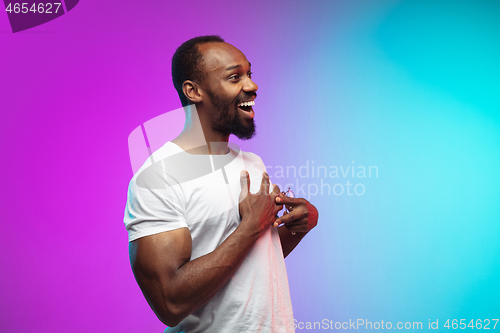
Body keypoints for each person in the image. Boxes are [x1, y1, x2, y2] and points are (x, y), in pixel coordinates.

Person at [124, 35, 318, 332]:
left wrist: (297, 227)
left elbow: (253, 266)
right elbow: (170, 303)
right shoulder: (158, 177)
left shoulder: (252, 164)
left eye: (249, 74)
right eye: (234, 77)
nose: (251, 86)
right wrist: (251, 225)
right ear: (194, 91)